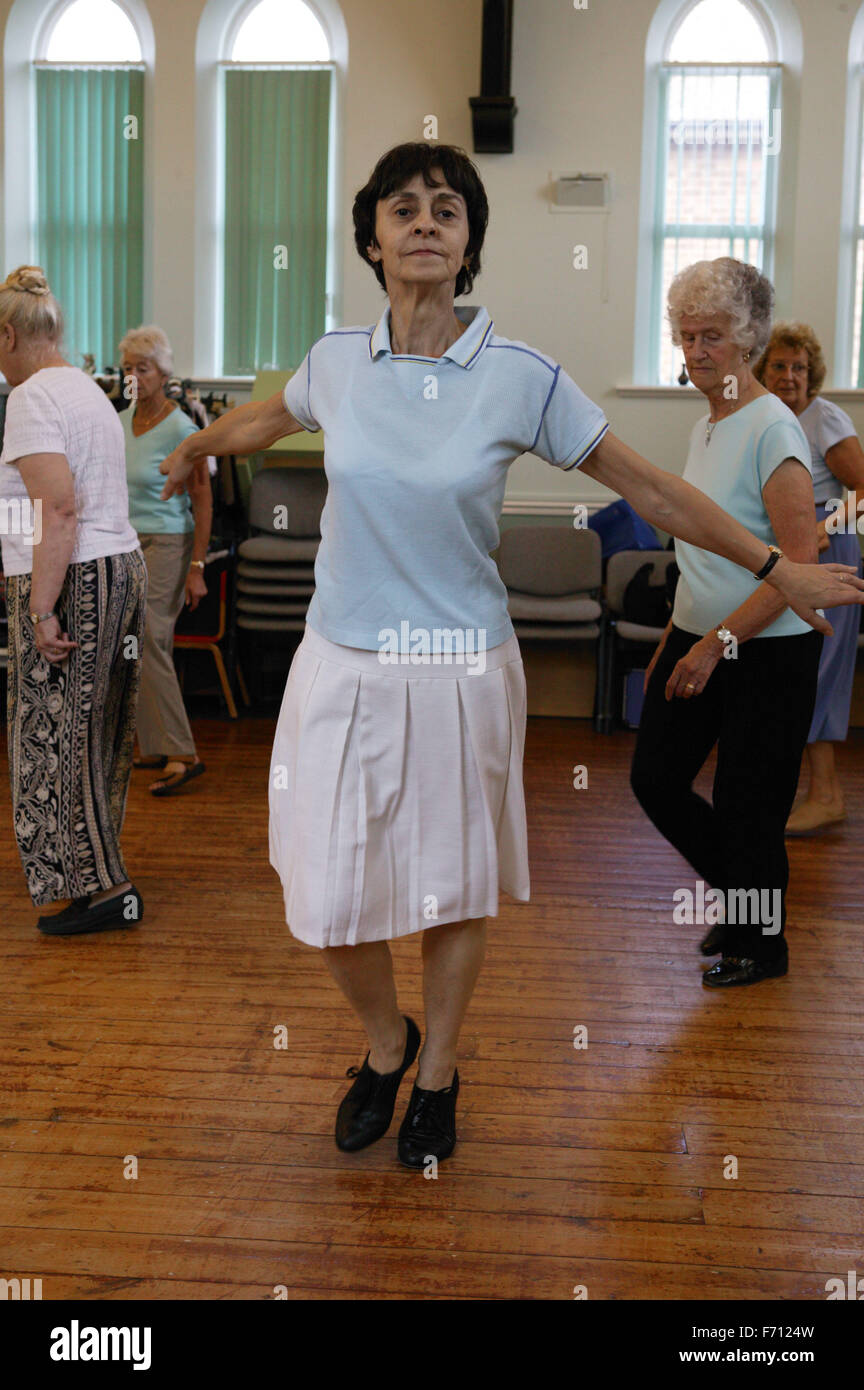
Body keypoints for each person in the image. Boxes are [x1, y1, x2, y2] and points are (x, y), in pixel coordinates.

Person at [159, 145, 863, 1165]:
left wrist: (776, 565)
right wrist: (191, 445)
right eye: (403, 209)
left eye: (447, 209)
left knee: (451, 889)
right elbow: (273, 415)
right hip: (342, 664)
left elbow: (652, 490)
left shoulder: (519, 375)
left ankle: (437, 1069)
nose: (425, 223)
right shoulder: (335, 361)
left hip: (460, 669)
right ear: (372, 239)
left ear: (470, 241)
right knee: (325, 896)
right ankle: (386, 1041)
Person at [631, 259, 830, 988]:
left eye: (711, 336)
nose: (695, 352)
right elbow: (703, 551)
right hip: (696, 637)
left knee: (750, 803)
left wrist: (717, 645)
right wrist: (673, 640)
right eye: (685, 336)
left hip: (768, 650)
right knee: (655, 778)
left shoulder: (772, 429)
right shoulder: (708, 424)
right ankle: (748, 904)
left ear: (747, 338)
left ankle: (761, 943)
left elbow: (797, 568)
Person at [0, 265, 146, 936]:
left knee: (54, 741)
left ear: (9, 335)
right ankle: (100, 882)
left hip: (74, 579)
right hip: (114, 567)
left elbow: (57, 507)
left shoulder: (30, 397)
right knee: (89, 737)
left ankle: (103, 891)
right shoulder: (82, 387)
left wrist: (40, 608)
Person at [754, 322, 864, 834]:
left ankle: (827, 795)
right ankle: (813, 791)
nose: (789, 376)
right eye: (779, 366)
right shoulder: (763, 415)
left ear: (811, 373)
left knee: (817, 672)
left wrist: (824, 525)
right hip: (787, 553)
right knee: (792, 671)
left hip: (829, 551)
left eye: (799, 368)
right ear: (763, 370)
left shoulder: (826, 417)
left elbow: (862, 491)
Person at [119, 326, 209, 795]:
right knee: (137, 643)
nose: (133, 376)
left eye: (143, 368)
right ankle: (154, 746)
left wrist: (197, 568)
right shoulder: (120, 421)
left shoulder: (182, 428)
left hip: (169, 543)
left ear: (163, 373)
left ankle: (183, 753)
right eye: (128, 368)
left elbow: (202, 499)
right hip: (126, 545)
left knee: (151, 638)